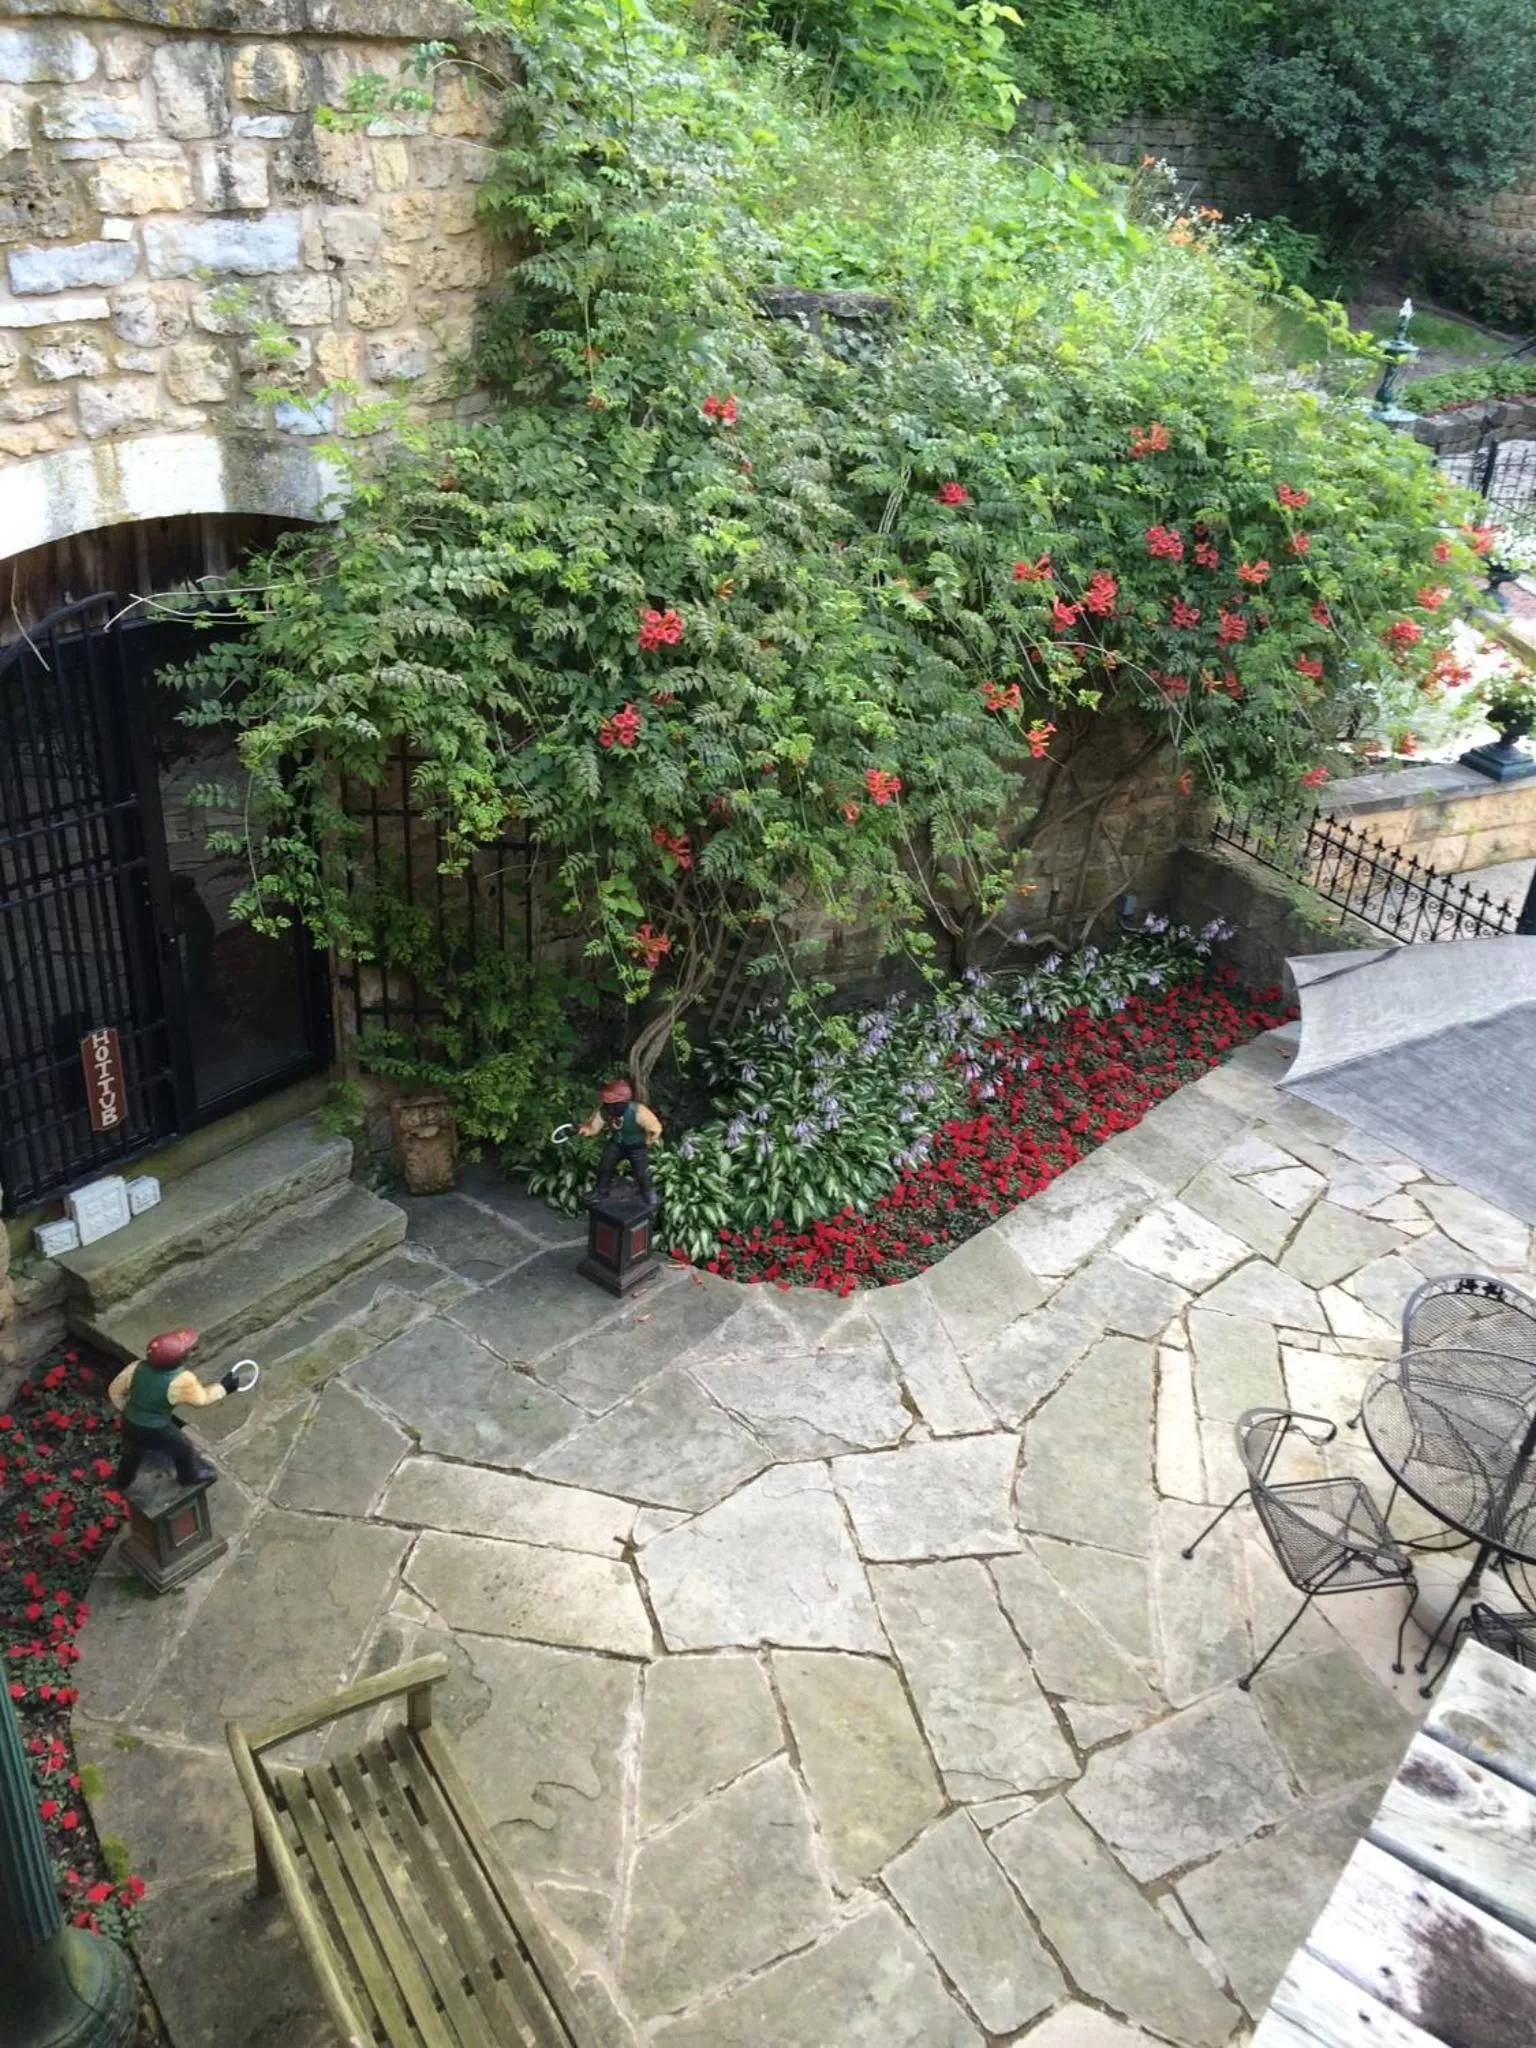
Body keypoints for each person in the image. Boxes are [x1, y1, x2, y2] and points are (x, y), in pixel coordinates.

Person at [106, 1327, 248, 1491]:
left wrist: (128, 1409)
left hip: (130, 1421)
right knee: (183, 1447)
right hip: (155, 1426)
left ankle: (122, 1482)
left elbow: (114, 1391)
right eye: (186, 1352)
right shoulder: (180, 1380)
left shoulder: (136, 1367)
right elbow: (201, 1400)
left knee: (132, 1452)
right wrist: (224, 1388)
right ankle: (189, 1475)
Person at [578, 1078, 662, 1211]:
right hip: (617, 1143)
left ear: (623, 1103)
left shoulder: (639, 1112)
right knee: (605, 1164)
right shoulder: (605, 1112)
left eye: (613, 1104)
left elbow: (655, 1128)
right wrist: (580, 1129)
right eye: (607, 1103)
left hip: (637, 1146)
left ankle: (649, 1193)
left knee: (641, 1172)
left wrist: (646, 1142)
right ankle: (601, 1191)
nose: (609, 1107)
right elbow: (593, 1127)